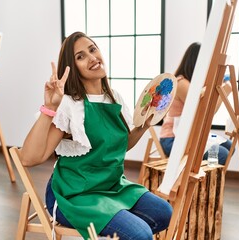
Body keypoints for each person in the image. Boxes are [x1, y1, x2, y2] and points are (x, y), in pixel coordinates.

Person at [20, 31, 172, 240]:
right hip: (74, 194)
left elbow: (120, 145)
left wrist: (143, 127)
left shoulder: (114, 97)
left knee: (163, 213)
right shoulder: (70, 105)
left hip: (111, 186)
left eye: (92, 49)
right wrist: (50, 107)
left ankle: (117, 222)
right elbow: (29, 158)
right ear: (72, 68)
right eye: (80, 56)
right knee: (140, 234)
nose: (92, 57)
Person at [159, 42, 234, 165]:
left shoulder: (193, 83)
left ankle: (203, 181)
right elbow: (205, 112)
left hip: (188, 135)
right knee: (222, 154)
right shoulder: (181, 83)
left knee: (229, 146)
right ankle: (200, 182)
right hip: (172, 139)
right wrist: (223, 92)